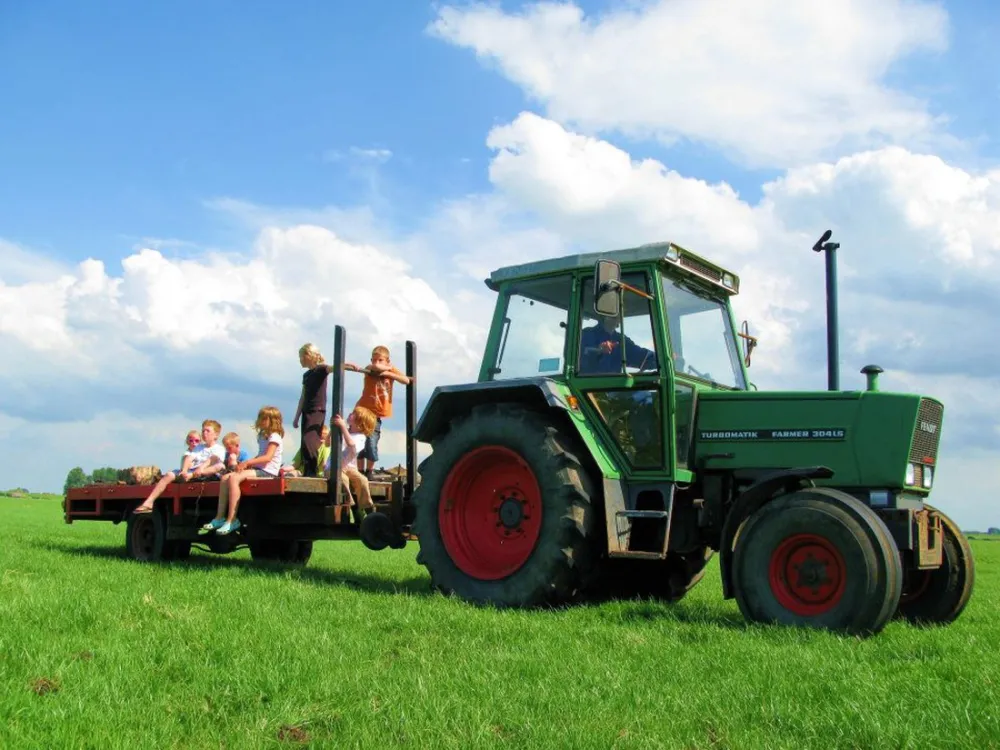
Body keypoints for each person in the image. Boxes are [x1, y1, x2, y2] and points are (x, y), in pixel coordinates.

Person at [201, 406, 284, 535]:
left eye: (263, 418)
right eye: (260, 418)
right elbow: (261, 455)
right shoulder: (263, 435)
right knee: (225, 478)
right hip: (260, 468)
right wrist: (247, 465)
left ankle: (232, 519)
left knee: (234, 478)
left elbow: (268, 457)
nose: (260, 421)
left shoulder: (275, 437)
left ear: (272, 420)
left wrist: (247, 462)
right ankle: (219, 517)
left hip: (269, 471)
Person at [344, 345, 413, 477]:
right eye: (374, 359)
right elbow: (375, 367)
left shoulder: (390, 370)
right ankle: (360, 470)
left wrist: (389, 373)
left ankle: (369, 471)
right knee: (360, 442)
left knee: (372, 442)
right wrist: (385, 368)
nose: (376, 363)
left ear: (388, 361)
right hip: (363, 411)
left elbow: (406, 380)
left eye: (380, 360)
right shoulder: (370, 369)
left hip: (375, 415)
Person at [134, 421, 224, 513]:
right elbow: (189, 458)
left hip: (205, 473)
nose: (204, 433)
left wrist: (200, 469)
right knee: (169, 474)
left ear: (216, 435)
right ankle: (149, 502)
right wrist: (184, 470)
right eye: (203, 431)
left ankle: (191, 475)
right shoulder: (199, 447)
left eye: (208, 431)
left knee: (220, 466)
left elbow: (213, 459)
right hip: (192, 471)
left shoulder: (219, 449)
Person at [326, 406, 378, 520]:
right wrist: (333, 429)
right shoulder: (343, 431)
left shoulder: (360, 437)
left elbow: (351, 444)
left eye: (354, 414)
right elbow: (327, 443)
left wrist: (343, 427)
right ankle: (350, 503)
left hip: (350, 468)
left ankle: (366, 507)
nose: (350, 414)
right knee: (342, 479)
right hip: (333, 467)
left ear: (360, 423)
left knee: (362, 480)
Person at [292, 343, 334, 477]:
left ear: (308, 356)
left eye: (301, 357)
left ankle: (312, 470)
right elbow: (303, 397)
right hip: (307, 410)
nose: (300, 360)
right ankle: (308, 469)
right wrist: (297, 416)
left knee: (309, 440)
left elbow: (333, 368)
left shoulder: (320, 369)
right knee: (304, 443)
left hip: (317, 410)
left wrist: (348, 365)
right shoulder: (306, 375)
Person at [579, 314, 657, 375]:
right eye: (611, 309)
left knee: (643, 395)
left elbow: (642, 357)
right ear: (602, 313)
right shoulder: (585, 334)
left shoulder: (622, 340)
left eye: (618, 310)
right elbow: (575, 359)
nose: (616, 313)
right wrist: (598, 351)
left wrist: (664, 360)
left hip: (614, 389)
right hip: (588, 388)